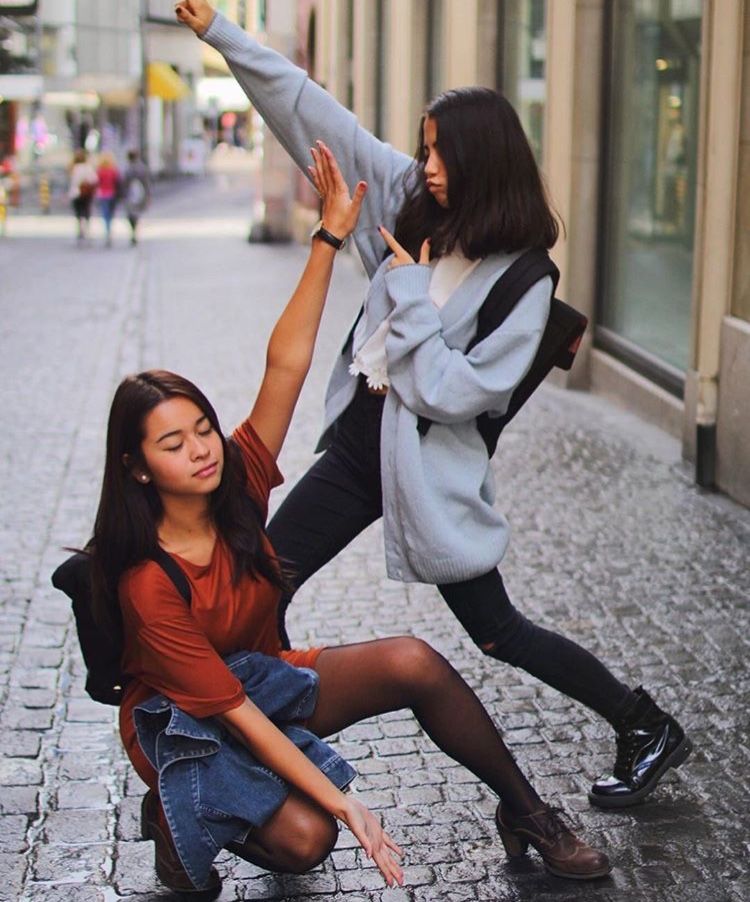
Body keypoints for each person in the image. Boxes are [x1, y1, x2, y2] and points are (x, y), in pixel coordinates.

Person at [174, 1, 692, 812]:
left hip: (431, 469)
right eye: (424, 148)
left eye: (442, 151)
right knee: (261, 583)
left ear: (484, 160)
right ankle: (273, 755)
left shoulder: (526, 281)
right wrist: (222, 34)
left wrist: (411, 293)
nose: (428, 164)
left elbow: (458, 395)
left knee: (498, 631)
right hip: (361, 445)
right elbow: (314, 113)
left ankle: (643, 723)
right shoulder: (413, 198)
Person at [86, 142, 609, 898]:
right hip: (186, 722)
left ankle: (528, 813)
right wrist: (345, 803)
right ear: (137, 468)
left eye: (203, 428)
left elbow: (286, 366)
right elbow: (235, 713)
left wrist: (329, 237)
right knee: (309, 839)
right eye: (174, 445)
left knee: (413, 662)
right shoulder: (146, 581)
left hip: (261, 679)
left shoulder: (237, 482)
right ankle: (175, 811)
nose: (201, 450)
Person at [68, 149, 98, 244]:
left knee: (78, 212)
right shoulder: (88, 167)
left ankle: (80, 229)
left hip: (76, 193)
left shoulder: (73, 168)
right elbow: (94, 179)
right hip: (86, 193)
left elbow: (73, 181)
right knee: (86, 210)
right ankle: (87, 228)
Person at [122, 149, 150, 246]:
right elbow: (147, 183)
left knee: (131, 213)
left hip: (129, 194)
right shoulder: (142, 168)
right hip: (139, 193)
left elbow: (123, 183)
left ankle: (133, 230)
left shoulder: (127, 169)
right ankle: (134, 229)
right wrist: (148, 195)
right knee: (136, 213)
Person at [95, 151, 120, 247]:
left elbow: (97, 183)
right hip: (112, 194)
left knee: (105, 214)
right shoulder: (113, 171)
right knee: (111, 214)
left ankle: (108, 230)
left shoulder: (100, 171)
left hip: (103, 195)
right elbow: (118, 182)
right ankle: (109, 229)